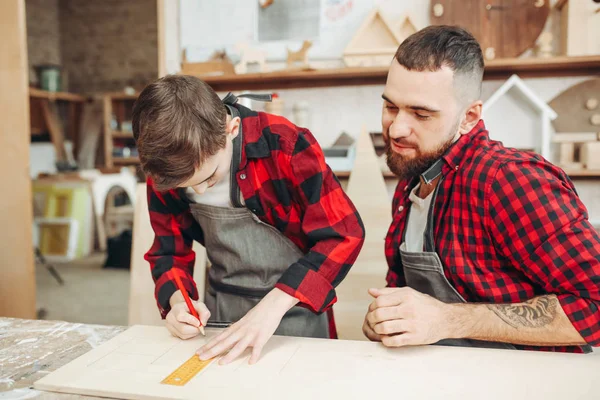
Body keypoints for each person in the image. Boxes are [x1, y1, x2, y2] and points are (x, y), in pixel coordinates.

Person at [362, 25, 600, 353]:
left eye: (421, 114)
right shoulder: (412, 180)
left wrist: (449, 319)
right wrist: (388, 319)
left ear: (469, 117)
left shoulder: (511, 182)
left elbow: (595, 307)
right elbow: (406, 298)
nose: (397, 129)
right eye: (391, 107)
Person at [132, 76, 365, 364]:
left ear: (231, 129)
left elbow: (344, 235)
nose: (199, 191)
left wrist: (271, 307)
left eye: (208, 178)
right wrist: (178, 302)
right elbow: (169, 251)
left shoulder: (285, 145)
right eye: (186, 187)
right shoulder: (166, 168)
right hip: (223, 309)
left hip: (295, 310)